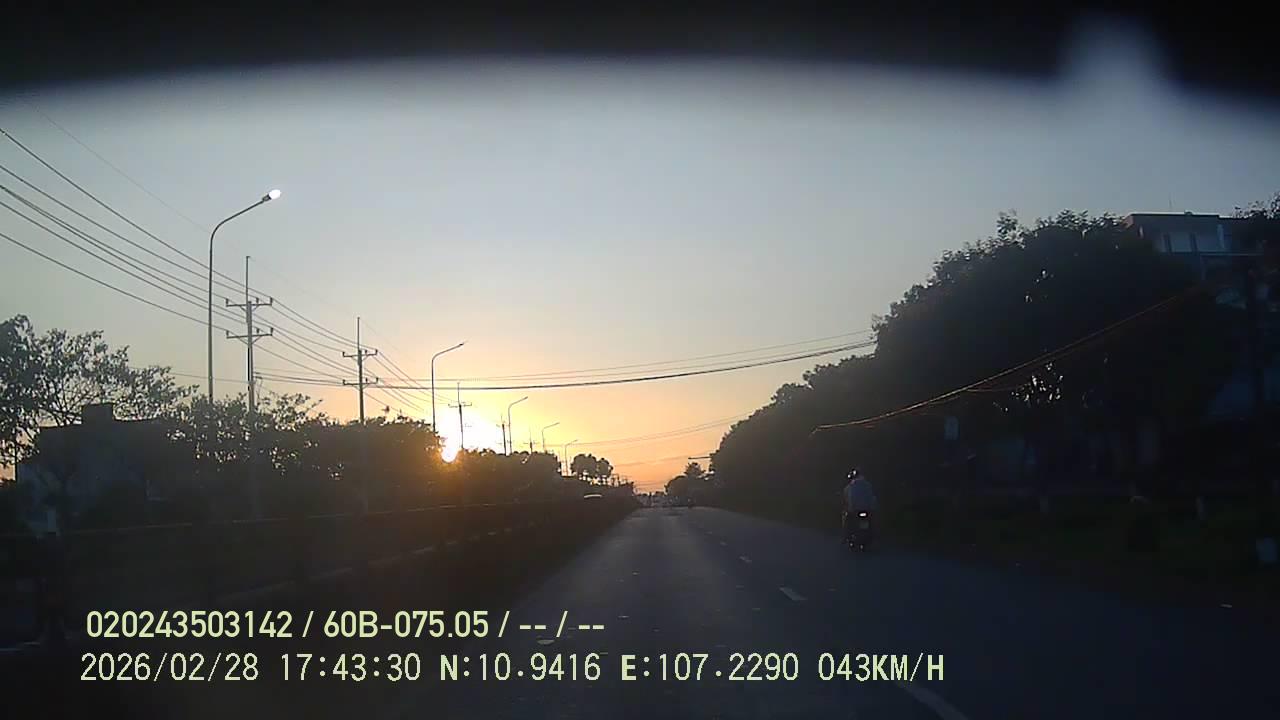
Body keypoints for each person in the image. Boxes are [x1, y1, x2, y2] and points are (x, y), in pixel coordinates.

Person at [841, 468, 878, 542]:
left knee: (846, 519)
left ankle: (847, 536)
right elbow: (872, 497)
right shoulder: (867, 485)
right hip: (867, 509)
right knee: (871, 520)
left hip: (855, 510)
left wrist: (849, 507)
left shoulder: (851, 486)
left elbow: (847, 498)